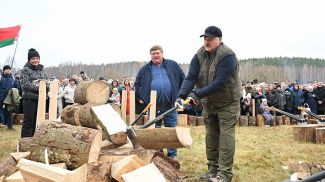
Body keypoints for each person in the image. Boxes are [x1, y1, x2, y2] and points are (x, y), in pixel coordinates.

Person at [176, 26, 241, 182]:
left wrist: (196, 94)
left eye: (210, 39)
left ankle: (224, 174)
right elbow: (191, 77)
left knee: (225, 138)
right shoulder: (199, 55)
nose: (207, 41)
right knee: (211, 137)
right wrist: (181, 96)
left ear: (220, 39)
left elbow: (219, 82)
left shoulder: (228, 56)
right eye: (205, 38)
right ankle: (212, 170)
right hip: (209, 102)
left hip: (228, 103)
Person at [135, 45, 184, 158]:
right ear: (150, 55)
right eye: (153, 53)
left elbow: (183, 79)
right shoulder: (145, 69)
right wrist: (142, 97)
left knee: (170, 130)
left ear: (162, 54)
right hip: (153, 106)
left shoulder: (172, 65)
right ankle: (158, 154)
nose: (156, 55)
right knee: (154, 130)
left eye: (158, 53)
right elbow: (137, 84)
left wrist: (180, 95)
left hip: (170, 105)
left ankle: (172, 155)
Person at [20, 48, 48, 137]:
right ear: (29, 60)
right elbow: (25, 85)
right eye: (33, 59)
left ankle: (34, 139)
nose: (36, 60)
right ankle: (25, 141)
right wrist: (40, 87)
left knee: (38, 122)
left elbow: (47, 84)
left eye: (37, 58)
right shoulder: (25, 70)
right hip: (29, 99)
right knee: (28, 122)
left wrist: (44, 87)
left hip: (41, 99)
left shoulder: (42, 70)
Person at [0, 65, 20, 130]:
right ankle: (1, 124)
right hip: (1, 97)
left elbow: (17, 87)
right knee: (1, 111)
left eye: (9, 69)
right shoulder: (0, 77)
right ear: (4, 70)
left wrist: (12, 90)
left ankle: (10, 126)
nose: (8, 70)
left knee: (9, 112)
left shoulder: (13, 78)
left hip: (9, 98)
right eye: (6, 69)